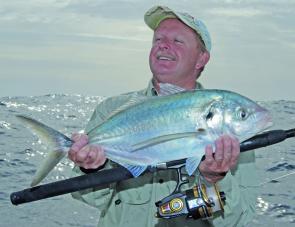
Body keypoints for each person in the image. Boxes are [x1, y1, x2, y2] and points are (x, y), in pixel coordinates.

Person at [68, 5, 259, 227]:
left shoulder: (232, 135)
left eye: (177, 41)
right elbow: (89, 197)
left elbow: (239, 219)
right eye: (158, 40)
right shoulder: (111, 109)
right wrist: (92, 167)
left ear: (201, 59)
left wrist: (213, 181)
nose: (164, 46)